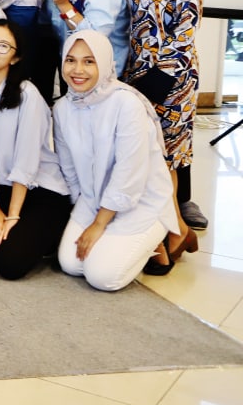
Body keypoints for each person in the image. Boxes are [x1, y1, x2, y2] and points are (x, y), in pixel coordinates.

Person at [54, 31, 178, 291]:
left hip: (140, 201)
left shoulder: (126, 103)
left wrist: (99, 224)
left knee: (102, 277)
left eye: (89, 61)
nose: (78, 70)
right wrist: (83, 209)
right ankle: (122, 245)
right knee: (71, 264)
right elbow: (69, 168)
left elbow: (129, 173)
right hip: (93, 199)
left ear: (104, 63)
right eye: (71, 60)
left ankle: (155, 237)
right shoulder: (63, 108)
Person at [123, 0, 207, 235]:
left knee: (166, 158)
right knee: (142, 156)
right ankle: (155, 235)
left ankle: (174, 235)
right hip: (136, 68)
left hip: (171, 76)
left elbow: (186, 29)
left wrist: (160, 79)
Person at [0, 19, 72, 280]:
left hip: (39, 188)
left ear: (15, 57)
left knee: (10, 264)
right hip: (0, 186)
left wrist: (12, 216)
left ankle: (51, 233)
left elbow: (26, 162)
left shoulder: (27, 94)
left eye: (3, 46)